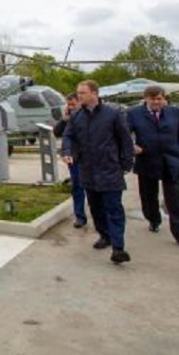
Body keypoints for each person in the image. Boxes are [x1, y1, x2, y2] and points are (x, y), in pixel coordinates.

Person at [62, 80, 135, 264]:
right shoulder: (77, 115)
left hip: (109, 169)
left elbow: (125, 140)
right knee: (96, 209)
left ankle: (118, 248)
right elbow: (68, 136)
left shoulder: (113, 114)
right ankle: (105, 236)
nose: (79, 96)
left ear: (94, 93)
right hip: (87, 170)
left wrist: (126, 164)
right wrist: (68, 151)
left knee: (114, 209)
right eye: (78, 93)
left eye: (82, 93)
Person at [126, 85, 179, 250]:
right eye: (153, 99)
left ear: (163, 98)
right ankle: (153, 219)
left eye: (159, 98)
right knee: (149, 196)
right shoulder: (134, 114)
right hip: (147, 160)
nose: (157, 102)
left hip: (171, 162)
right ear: (146, 99)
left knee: (175, 200)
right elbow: (124, 133)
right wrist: (131, 146)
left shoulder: (173, 112)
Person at [53, 92, 87, 228]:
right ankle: (80, 216)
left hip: (90, 157)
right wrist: (64, 119)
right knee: (77, 186)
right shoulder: (69, 119)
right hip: (74, 158)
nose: (71, 107)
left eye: (73, 104)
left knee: (93, 188)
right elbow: (57, 133)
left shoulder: (88, 116)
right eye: (69, 104)